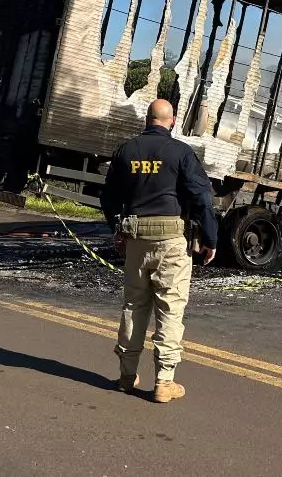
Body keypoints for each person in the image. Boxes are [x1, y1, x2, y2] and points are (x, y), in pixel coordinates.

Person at [101, 99, 219, 404]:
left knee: (134, 307)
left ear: (147, 120)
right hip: (172, 242)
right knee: (170, 308)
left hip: (136, 239)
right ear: (173, 121)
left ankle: (127, 377)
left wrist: (117, 228)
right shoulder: (181, 152)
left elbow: (109, 197)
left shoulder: (127, 150)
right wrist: (210, 238)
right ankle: (164, 382)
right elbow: (202, 198)